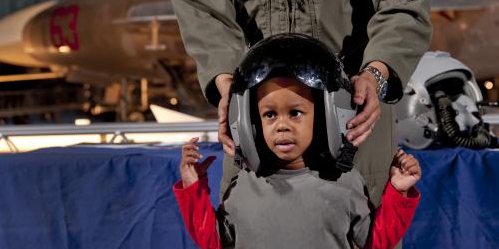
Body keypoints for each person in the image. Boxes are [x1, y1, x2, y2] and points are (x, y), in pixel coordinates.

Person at [171, 0, 433, 205]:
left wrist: (376, 76)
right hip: (257, 121)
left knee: (361, 234)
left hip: (351, 114)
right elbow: (200, 6)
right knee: (251, 230)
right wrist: (229, 87)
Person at [172, 35, 421, 248]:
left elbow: (375, 242)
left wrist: (398, 192)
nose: (282, 125)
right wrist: (193, 187)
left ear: (324, 118)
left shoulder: (345, 183)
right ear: (251, 122)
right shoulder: (242, 184)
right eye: (270, 115)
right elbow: (214, 241)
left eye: (295, 113)